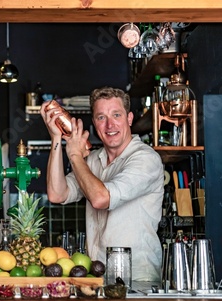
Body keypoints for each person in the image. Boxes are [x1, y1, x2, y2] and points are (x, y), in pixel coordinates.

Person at [40, 87, 164, 281]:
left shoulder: (146, 159)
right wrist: (57, 138)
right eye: (101, 117)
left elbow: (101, 198)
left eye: (116, 115)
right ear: (95, 123)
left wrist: (74, 155)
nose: (109, 125)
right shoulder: (93, 160)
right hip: (97, 273)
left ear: (129, 118)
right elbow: (58, 194)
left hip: (138, 278)